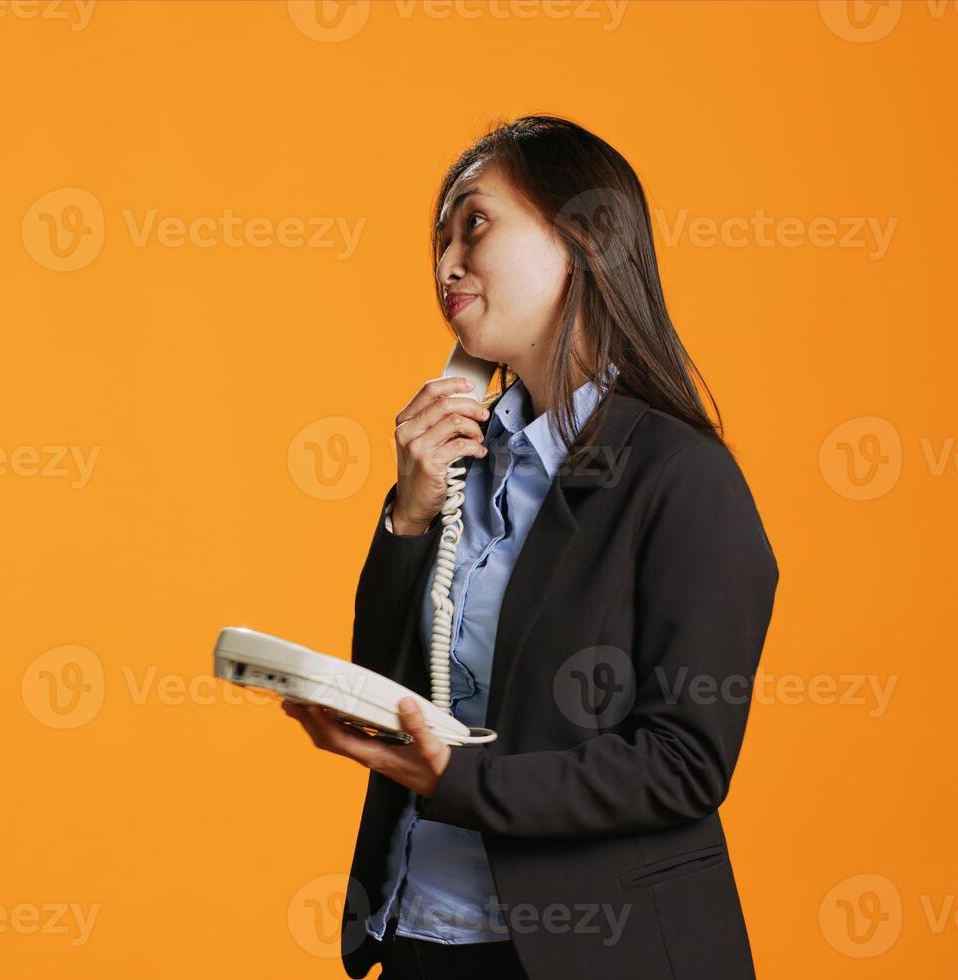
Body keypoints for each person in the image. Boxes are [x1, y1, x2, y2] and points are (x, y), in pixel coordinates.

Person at [282, 115, 780, 980]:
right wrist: (406, 516)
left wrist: (460, 782)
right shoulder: (455, 462)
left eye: (473, 224)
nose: (444, 264)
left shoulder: (680, 478)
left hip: (586, 955)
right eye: (437, 238)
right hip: (419, 936)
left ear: (581, 235)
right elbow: (391, 688)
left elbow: (683, 764)